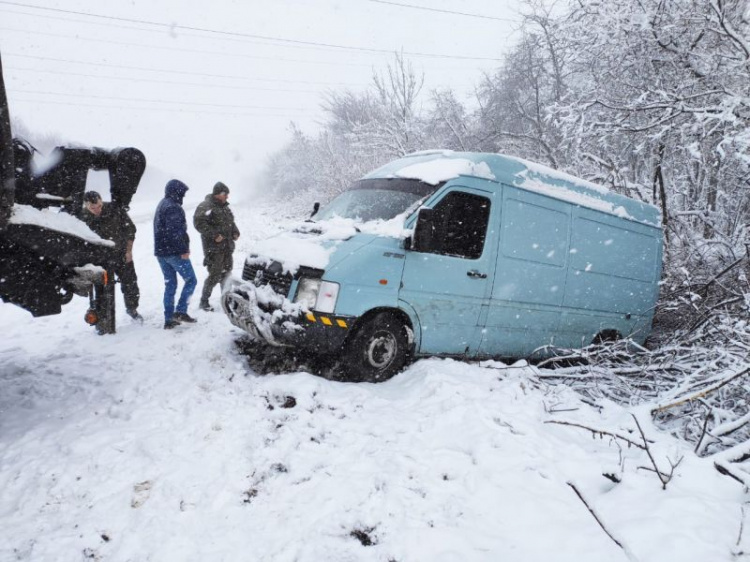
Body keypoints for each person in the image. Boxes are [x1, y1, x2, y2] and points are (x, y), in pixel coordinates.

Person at [81, 190, 142, 323]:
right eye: (93, 208)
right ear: (86, 206)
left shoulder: (115, 209)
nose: (97, 210)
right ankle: (102, 318)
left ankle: (132, 309)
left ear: (102, 201)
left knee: (130, 284)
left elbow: (130, 229)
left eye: (99, 206)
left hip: (120, 254)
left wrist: (128, 251)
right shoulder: (81, 217)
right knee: (101, 290)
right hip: (98, 261)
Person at [154, 179, 198, 329]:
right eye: (182, 193)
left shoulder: (162, 203)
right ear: (176, 192)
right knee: (191, 280)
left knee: (170, 284)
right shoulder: (173, 207)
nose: (183, 197)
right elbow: (175, 233)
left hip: (161, 253)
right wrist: (183, 250)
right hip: (174, 253)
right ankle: (180, 311)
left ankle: (169, 320)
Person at [193, 181, 240, 311]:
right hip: (214, 249)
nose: (227, 196)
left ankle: (226, 299)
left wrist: (235, 231)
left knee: (227, 273)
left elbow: (231, 222)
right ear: (217, 194)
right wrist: (214, 235)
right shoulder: (206, 206)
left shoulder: (225, 207)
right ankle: (204, 301)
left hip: (227, 247)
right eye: (225, 194)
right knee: (214, 275)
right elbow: (199, 224)